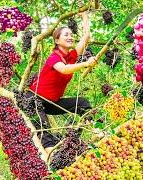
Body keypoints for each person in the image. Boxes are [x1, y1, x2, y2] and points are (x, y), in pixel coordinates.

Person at [27, 12, 96, 152]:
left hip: (52, 102)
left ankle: (94, 130)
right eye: (66, 35)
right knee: (44, 129)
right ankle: (51, 155)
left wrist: (84, 16)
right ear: (57, 41)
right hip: (34, 99)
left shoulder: (71, 56)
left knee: (82, 103)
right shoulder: (53, 58)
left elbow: (86, 37)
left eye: (71, 34)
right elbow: (64, 70)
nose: (70, 37)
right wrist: (85, 64)